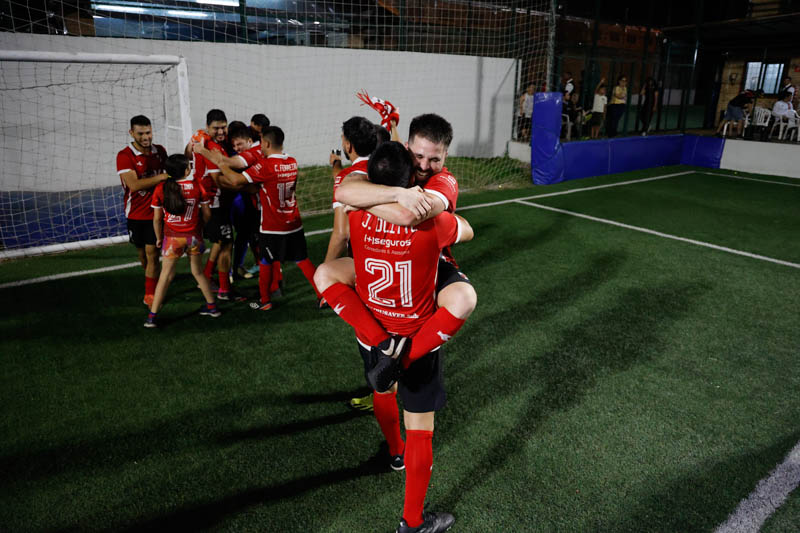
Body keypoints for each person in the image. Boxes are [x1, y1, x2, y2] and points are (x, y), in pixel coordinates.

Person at [329, 141, 474, 532]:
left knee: (326, 275)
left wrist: (372, 201)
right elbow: (466, 230)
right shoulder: (430, 221)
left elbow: (344, 192)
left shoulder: (355, 205)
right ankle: (412, 523)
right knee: (421, 428)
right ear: (411, 176)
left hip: (371, 328)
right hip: (415, 333)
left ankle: (394, 453)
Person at [215, 126, 322, 311]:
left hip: (273, 226)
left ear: (267, 143)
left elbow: (235, 180)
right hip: (293, 223)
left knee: (265, 261)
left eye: (261, 143)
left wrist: (221, 164)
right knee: (303, 260)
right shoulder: (292, 162)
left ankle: (265, 301)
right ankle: (323, 295)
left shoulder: (265, 166)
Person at [145, 154, 219, 328]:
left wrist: (158, 237)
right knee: (198, 272)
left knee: (164, 276)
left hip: (172, 239)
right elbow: (207, 214)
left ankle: (152, 316)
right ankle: (213, 307)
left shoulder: (161, 188)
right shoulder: (197, 186)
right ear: (187, 170)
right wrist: (200, 226)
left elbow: (157, 219)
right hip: (194, 237)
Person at [116, 115, 169, 306]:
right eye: (141, 133)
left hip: (156, 213)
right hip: (135, 214)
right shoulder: (124, 156)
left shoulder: (160, 151)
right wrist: (162, 176)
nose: (146, 137)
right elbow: (135, 185)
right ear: (131, 133)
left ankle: (150, 294)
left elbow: (171, 173)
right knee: (142, 254)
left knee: (153, 252)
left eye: (148, 132)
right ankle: (151, 279)